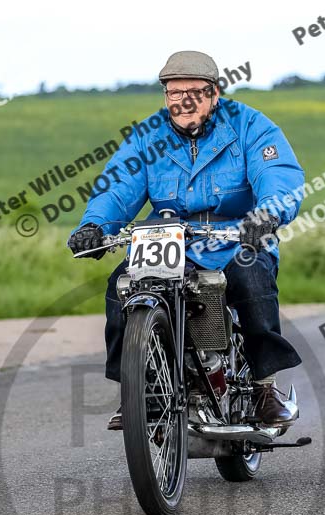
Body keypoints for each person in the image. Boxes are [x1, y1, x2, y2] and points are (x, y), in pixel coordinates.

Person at [68, 50, 305, 430]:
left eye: (194, 92)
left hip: (236, 236)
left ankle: (265, 386)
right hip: (169, 239)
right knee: (122, 286)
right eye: (174, 93)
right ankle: (138, 390)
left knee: (250, 278)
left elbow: (278, 175)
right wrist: (95, 225)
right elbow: (118, 188)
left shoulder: (251, 126)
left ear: (214, 93)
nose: (183, 101)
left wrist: (267, 215)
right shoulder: (147, 137)